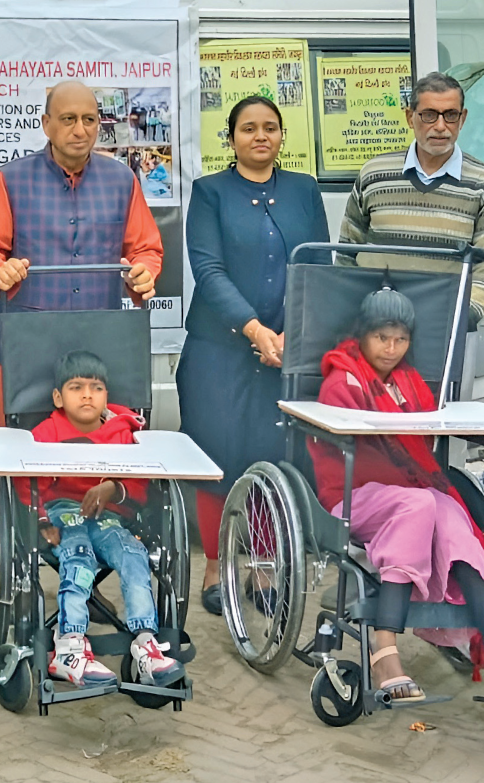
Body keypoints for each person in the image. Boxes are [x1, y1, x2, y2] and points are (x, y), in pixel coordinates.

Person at [177, 96, 330, 616]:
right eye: (248, 128)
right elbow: (208, 269)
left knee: (273, 453)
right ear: (232, 137)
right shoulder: (210, 192)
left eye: (270, 128)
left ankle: (263, 565)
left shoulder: (304, 191)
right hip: (218, 349)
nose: (259, 136)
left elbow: (318, 267)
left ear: (282, 135)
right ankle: (217, 565)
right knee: (217, 456)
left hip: (286, 351)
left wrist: (291, 337)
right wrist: (255, 329)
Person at [308, 287, 484, 702]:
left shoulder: (408, 380)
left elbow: (427, 429)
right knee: (421, 503)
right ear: (363, 335)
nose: (391, 348)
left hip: (408, 489)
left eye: (400, 339)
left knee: (455, 519)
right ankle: (384, 647)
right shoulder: (341, 379)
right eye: (382, 337)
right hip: (353, 491)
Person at [0, 80, 162, 427]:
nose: (80, 129)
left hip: (102, 339)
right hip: (27, 342)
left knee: (100, 454)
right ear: (46, 124)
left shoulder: (122, 180)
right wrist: (1, 270)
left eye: (89, 119)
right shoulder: (11, 179)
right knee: (21, 452)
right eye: (68, 119)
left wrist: (144, 271)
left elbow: (145, 248)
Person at [13, 351, 184, 687]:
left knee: (134, 557)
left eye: (96, 387)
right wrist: (43, 520)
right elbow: (26, 480)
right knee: (80, 559)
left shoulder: (125, 431)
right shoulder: (47, 432)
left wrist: (113, 487)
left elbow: (141, 479)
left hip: (109, 516)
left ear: (107, 394)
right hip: (64, 512)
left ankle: (145, 642)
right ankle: (70, 646)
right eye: (76, 387)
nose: (88, 394)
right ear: (59, 398)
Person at [339, 72, 484, 324]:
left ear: (463, 119)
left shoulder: (480, 183)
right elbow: (347, 254)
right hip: (374, 326)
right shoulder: (374, 174)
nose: (440, 126)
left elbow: (482, 270)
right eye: (429, 115)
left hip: (444, 328)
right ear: (410, 116)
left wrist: (462, 316)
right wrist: (350, 310)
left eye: (450, 115)